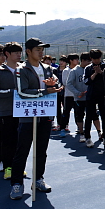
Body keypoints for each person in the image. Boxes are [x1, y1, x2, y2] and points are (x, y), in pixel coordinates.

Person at [10, 38, 62, 200]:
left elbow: (55, 82)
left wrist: (54, 83)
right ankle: (17, 184)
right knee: (22, 151)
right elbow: (22, 93)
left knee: (41, 151)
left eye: (42, 49)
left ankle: (38, 179)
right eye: (38, 50)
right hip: (27, 117)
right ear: (29, 51)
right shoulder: (22, 70)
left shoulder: (47, 68)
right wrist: (46, 91)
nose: (41, 52)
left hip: (45, 115)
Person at [0, 42, 22, 180]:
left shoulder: (23, 69)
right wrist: (12, 92)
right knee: (8, 141)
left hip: (22, 112)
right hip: (6, 112)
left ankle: (18, 168)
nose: (19, 55)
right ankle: (8, 168)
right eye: (16, 53)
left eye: (20, 52)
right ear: (7, 54)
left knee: (20, 142)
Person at [66, 52, 91, 146]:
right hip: (79, 98)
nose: (89, 62)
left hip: (90, 98)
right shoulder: (75, 71)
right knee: (80, 116)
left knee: (92, 116)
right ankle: (81, 133)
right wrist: (78, 93)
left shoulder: (90, 69)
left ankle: (97, 133)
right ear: (83, 60)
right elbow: (69, 84)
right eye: (88, 61)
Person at [83, 49, 105, 143]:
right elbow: (86, 81)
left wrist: (101, 72)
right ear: (91, 58)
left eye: (98, 58)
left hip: (103, 95)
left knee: (104, 116)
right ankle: (87, 137)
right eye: (94, 59)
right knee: (89, 116)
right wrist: (95, 73)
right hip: (91, 95)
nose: (96, 61)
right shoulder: (88, 68)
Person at [60, 53, 79, 137]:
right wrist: (75, 89)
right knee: (66, 112)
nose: (78, 61)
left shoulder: (79, 70)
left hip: (78, 96)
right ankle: (63, 128)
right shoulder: (66, 71)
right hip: (69, 95)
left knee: (78, 112)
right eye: (76, 59)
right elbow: (65, 83)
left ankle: (79, 127)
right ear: (71, 61)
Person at [52, 55, 67, 132]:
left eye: (63, 61)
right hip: (57, 92)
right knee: (57, 109)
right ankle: (59, 124)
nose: (61, 62)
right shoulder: (55, 70)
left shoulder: (68, 71)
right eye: (60, 61)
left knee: (65, 109)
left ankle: (65, 124)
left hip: (65, 92)